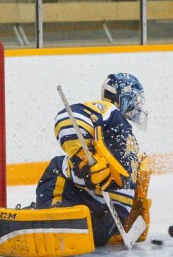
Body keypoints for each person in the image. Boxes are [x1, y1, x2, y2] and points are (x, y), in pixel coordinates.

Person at [34, 72, 152, 247]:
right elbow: (67, 119)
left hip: (91, 210)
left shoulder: (123, 130)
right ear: (122, 98)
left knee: (57, 166)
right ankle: (57, 215)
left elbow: (66, 119)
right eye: (133, 99)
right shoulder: (110, 113)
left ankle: (51, 217)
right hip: (104, 227)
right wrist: (83, 157)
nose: (136, 105)